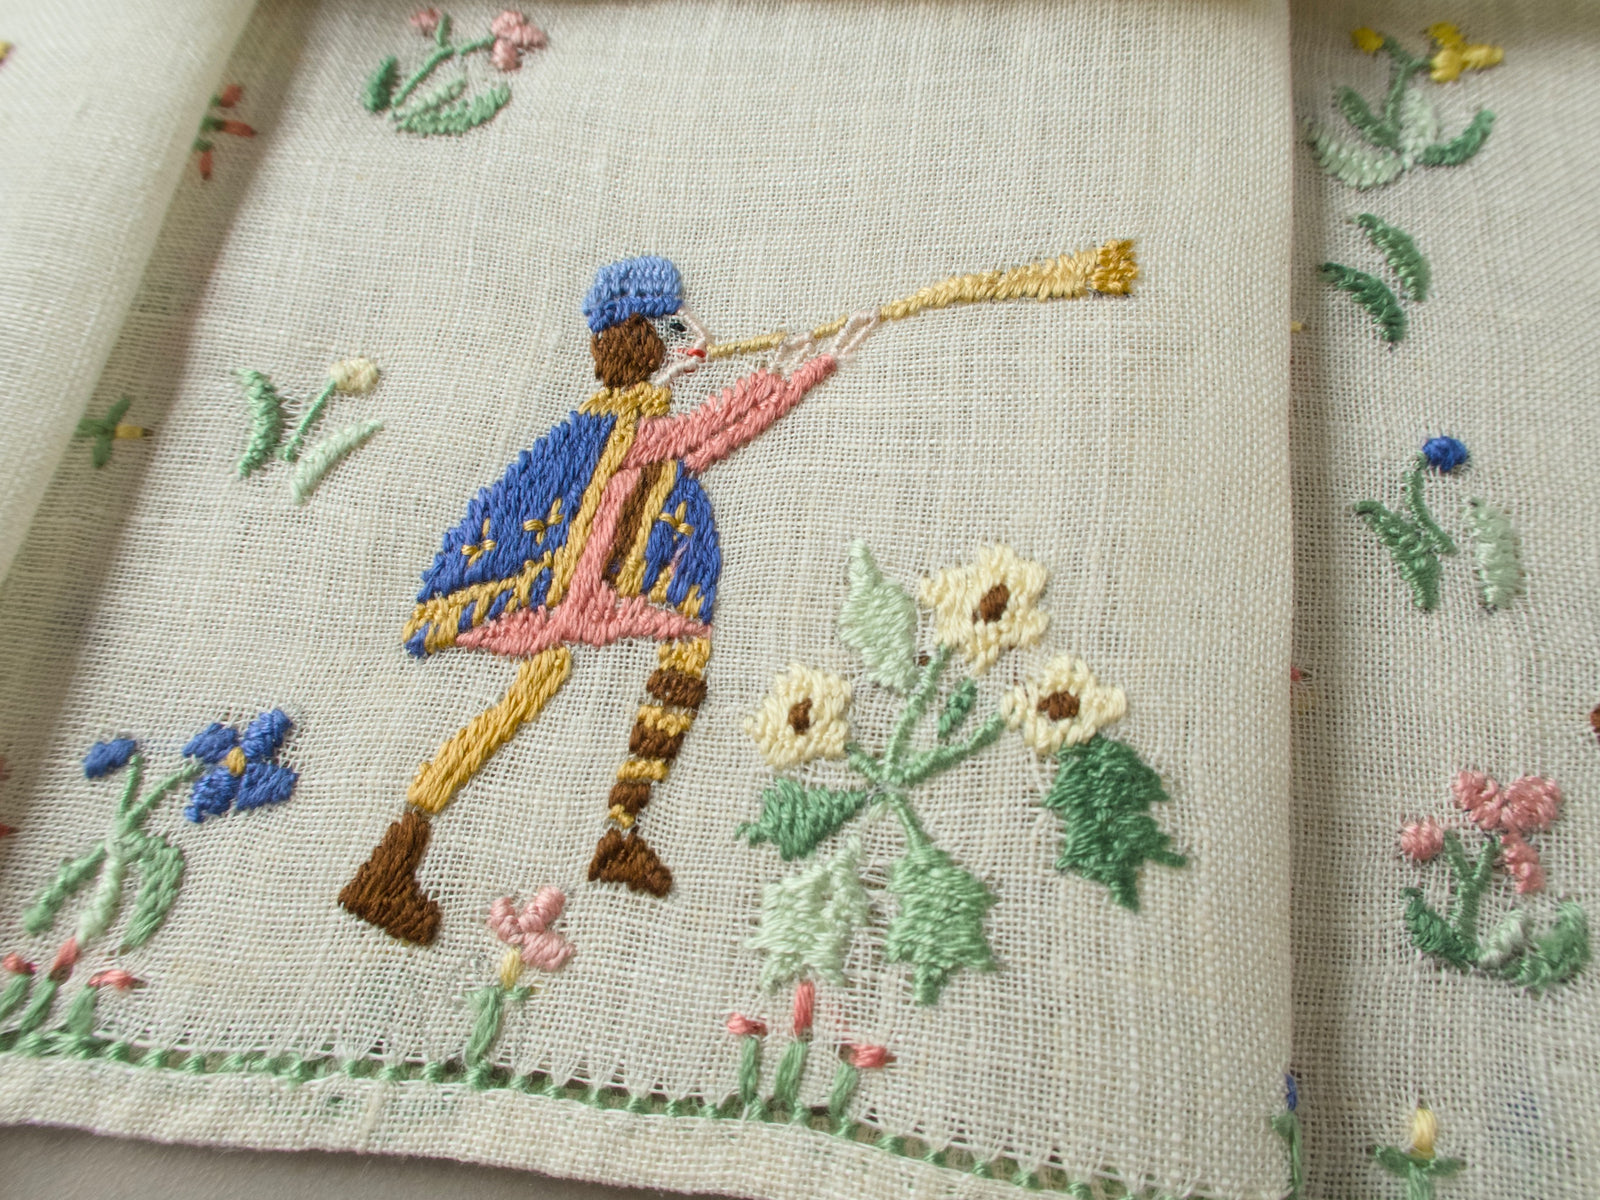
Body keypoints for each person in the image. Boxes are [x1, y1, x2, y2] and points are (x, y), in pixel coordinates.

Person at [338, 256, 876, 943]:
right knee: (675, 649)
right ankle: (599, 834)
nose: (692, 338)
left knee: (542, 687)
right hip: (588, 582)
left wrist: (800, 367)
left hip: (615, 576)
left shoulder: (626, 416)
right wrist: (795, 370)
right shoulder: (616, 421)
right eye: (674, 328)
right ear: (641, 340)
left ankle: (409, 858)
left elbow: (696, 443)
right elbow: (695, 439)